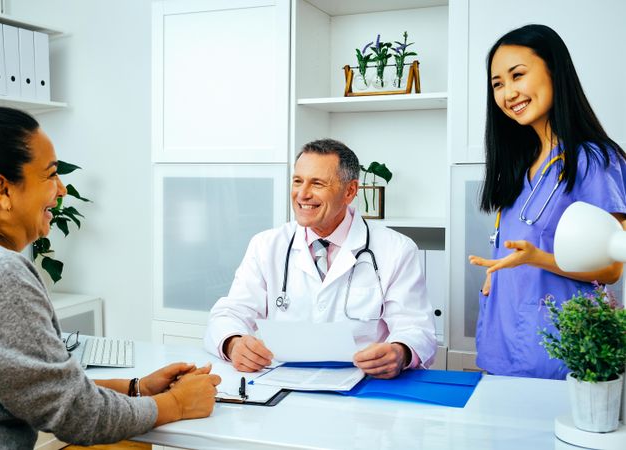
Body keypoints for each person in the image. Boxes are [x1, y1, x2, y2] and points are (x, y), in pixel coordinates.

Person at [0, 107, 221, 448]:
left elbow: (32, 387)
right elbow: (76, 414)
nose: (61, 190)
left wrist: (137, 388)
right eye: (49, 175)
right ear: (2, 190)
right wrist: (177, 404)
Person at [469, 24, 626, 380]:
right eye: (497, 84)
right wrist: (497, 274)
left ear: (555, 71)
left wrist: (538, 259)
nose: (508, 93)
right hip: (502, 341)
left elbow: (612, 268)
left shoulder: (594, 161)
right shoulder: (520, 166)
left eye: (517, 76)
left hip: (558, 353)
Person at [204, 138, 436, 379]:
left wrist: (401, 352)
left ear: (350, 191)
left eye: (317, 183)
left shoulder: (396, 249)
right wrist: (233, 343)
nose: (302, 194)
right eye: (297, 181)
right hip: (283, 383)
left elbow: (417, 329)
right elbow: (229, 314)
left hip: (363, 385)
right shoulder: (266, 245)